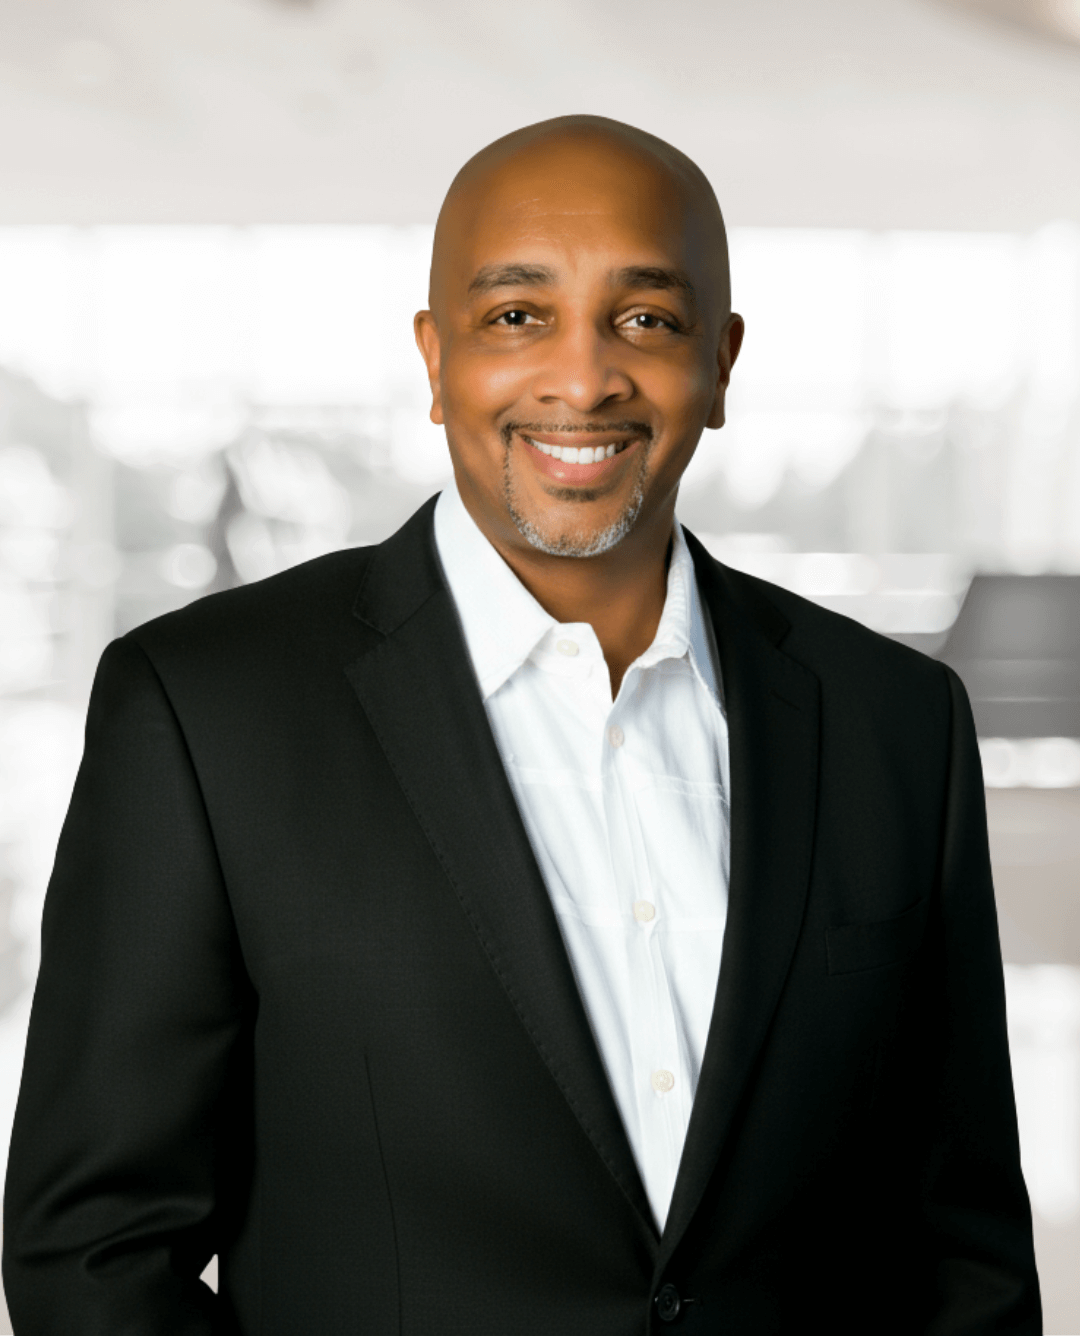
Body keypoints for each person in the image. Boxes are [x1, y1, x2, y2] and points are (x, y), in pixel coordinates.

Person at [3, 115, 1039, 1335]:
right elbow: (96, 1252)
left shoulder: (896, 723)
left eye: (645, 319)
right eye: (517, 317)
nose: (584, 375)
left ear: (720, 361)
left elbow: (962, 1245)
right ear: (436, 360)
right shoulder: (204, 710)